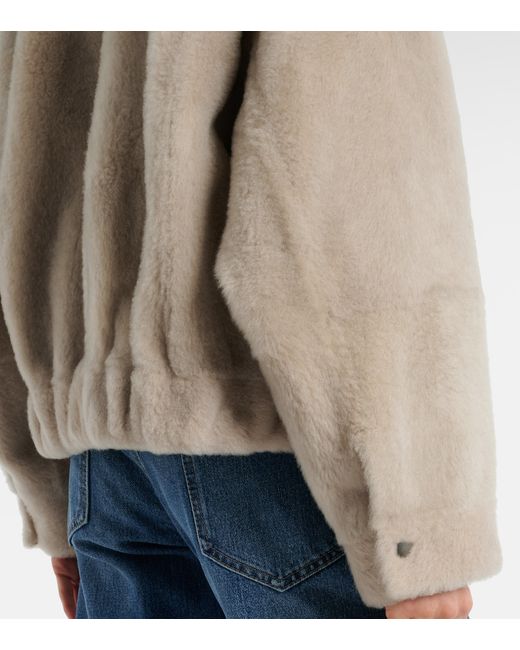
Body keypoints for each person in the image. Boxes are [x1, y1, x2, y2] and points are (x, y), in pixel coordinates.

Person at [0, 31, 501, 619]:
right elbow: (356, 182)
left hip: (106, 474)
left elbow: (18, 186)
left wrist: (46, 489)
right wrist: (416, 528)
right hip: (273, 453)